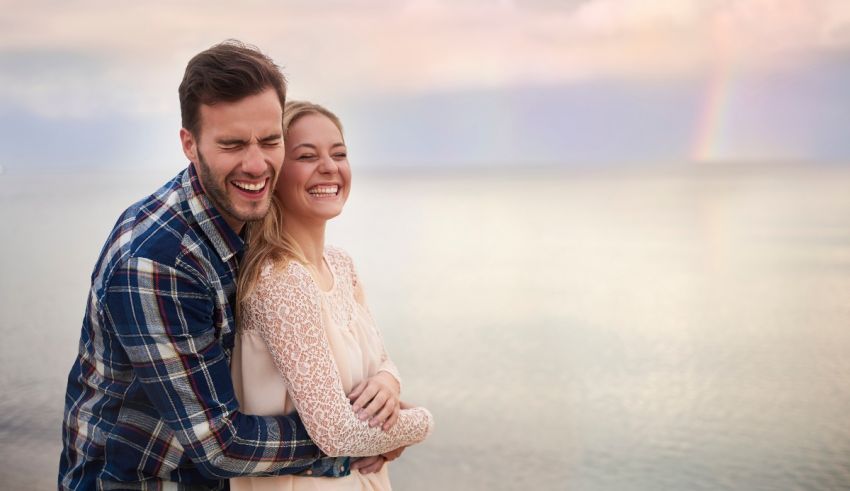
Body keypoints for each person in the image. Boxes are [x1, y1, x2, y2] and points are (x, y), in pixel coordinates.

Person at [59, 41, 355, 490]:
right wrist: (352, 442)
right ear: (189, 144)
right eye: (232, 144)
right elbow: (222, 445)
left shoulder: (251, 219)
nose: (257, 165)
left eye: (271, 141)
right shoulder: (157, 263)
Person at [230, 101, 434, 490]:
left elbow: (383, 360)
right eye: (307, 156)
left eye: (339, 154)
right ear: (273, 172)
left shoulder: (340, 265)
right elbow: (338, 433)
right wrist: (418, 424)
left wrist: (389, 385)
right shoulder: (280, 279)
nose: (329, 167)